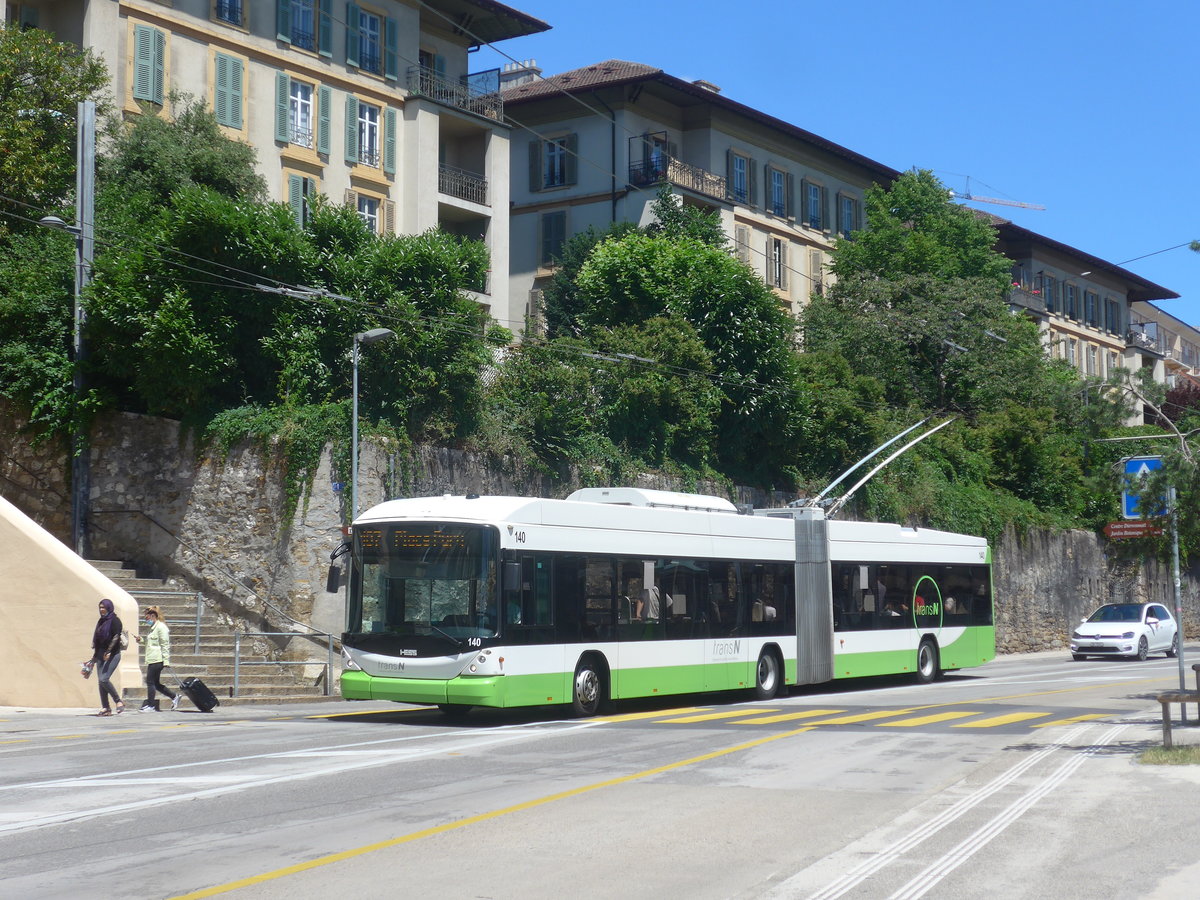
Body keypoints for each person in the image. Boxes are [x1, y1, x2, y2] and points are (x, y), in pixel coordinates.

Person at [134, 605, 179, 712]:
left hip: (158, 659)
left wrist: (166, 660)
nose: (146, 620)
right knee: (156, 683)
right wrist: (141, 640)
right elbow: (151, 643)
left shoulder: (161, 627)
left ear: (153, 616)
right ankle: (174, 697)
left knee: (150, 682)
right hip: (152, 658)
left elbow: (165, 644)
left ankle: (151, 705)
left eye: (147, 618)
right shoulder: (152, 628)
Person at [90, 598, 125, 716]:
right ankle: (106, 707)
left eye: (103, 607)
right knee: (101, 682)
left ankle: (118, 701)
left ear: (109, 608)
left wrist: (109, 651)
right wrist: (94, 657)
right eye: (100, 607)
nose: (101, 610)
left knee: (104, 678)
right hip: (100, 654)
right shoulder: (101, 621)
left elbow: (116, 636)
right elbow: (98, 641)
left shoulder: (115, 621)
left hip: (113, 654)